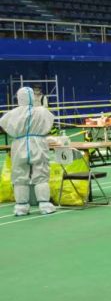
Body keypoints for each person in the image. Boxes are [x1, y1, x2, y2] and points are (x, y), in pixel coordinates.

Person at [0, 86, 56, 216]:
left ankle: (21, 207)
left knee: (19, 176)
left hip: (19, 145)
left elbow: (3, 125)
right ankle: (44, 205)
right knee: (41, 174)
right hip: (38, 144)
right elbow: (49, 123)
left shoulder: (12, 114)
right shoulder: (42, 111)